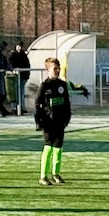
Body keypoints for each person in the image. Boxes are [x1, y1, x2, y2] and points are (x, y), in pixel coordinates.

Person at [34, 56, 72, 185]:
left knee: (58, 148)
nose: (57, 71)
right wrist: (39, 122)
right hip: (48, 122)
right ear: (48, 70)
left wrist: (67, 118)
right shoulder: (44, 86)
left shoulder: (62, 85)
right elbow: (37, 105)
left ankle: (56, 174)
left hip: (60, 122)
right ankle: (43, 176)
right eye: (54, 68)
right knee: (48, 147)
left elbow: (67, 103)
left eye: (58, 68)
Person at [8, 42, 31, 111]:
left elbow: (27, 65)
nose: (19, 48)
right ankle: (16, 106)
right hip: (16, 75)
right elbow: (10, 63)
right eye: (18, 46)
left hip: (23, 75)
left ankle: (21, 106)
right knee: (16, 91)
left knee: (21, 91)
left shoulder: (24, 55)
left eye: (20, 46)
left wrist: (27, 74)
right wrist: (13, 70)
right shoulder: (13, 55)